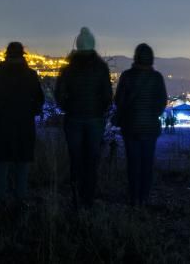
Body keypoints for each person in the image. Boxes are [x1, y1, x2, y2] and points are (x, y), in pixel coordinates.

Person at [54, 27, 112, 207]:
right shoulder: (101, 68)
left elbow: (59, 94)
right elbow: (108, 95)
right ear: (93, 46)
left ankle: (76, 197)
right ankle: (89, 198)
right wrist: (101, 111)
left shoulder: (69, 69)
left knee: (75, 159)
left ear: (77, 46)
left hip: (74, 119)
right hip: (95, 120)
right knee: (92, 159)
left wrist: (68, 108)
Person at [0, 41, 45, 202]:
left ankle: (0, 204)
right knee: (22, 167)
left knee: (1, 165)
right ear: (23, 55)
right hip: (24, 128)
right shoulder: (30, 75)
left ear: (6, 55)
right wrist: (30, 112)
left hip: (1, 127)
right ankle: (20, 203)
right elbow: (39, 101)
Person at [113, 43, 167, 207]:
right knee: (147, 164)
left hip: (130, 127)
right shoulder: (157, 77)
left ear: (135, 57)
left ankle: (134, 198)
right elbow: (162, 102)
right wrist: (152, 115)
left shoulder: (127, 76)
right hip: (150, 128)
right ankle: (144, 198)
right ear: (151, 58)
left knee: (133, 164)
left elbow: (119, 101)